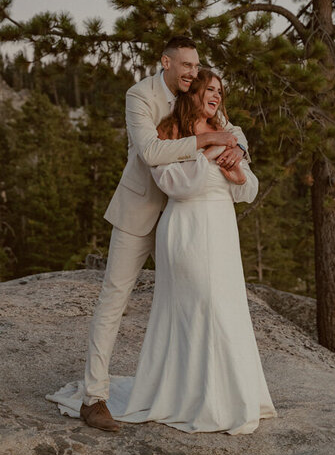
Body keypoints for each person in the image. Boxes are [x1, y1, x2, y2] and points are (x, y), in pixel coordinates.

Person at [46, 68, 277, 435]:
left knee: (225, 306)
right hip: (183, 226)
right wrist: (213, 151)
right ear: (172, 67)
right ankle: (96, 396)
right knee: (184, 303)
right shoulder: (159, 116)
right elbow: (171, 179)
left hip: (220, 231)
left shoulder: (226, 128)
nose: (215, 94)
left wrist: (237, 172)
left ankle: (224, 396)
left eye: (219, 90)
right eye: (208, 87)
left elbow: (247, 185)